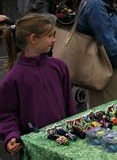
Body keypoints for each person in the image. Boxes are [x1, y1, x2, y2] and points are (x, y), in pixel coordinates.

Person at [0, 13, 76, 155]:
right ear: (34, 38)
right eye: (50, 35)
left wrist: (74, 127)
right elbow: (6, 114)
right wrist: (11, 135)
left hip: (64, 141)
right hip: (34, 148)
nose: (54, 40)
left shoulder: (59, 67)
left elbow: (69, 102)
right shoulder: (13, 78)